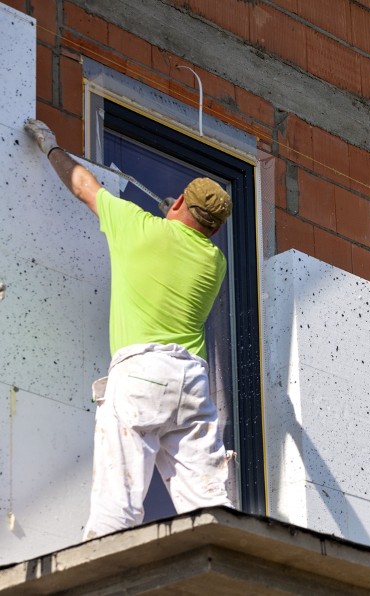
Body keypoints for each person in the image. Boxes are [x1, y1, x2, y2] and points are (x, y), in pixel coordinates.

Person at [24, 118, 234, 539]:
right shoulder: (216, 262)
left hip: (141, 375)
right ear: (215, 228)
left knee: (116, 508)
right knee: (210, 507)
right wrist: (174, 221)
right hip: (191, 383)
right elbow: (185, 240)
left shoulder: (136, 228)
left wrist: (50, 146)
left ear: (177, 206)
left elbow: (84, 185)